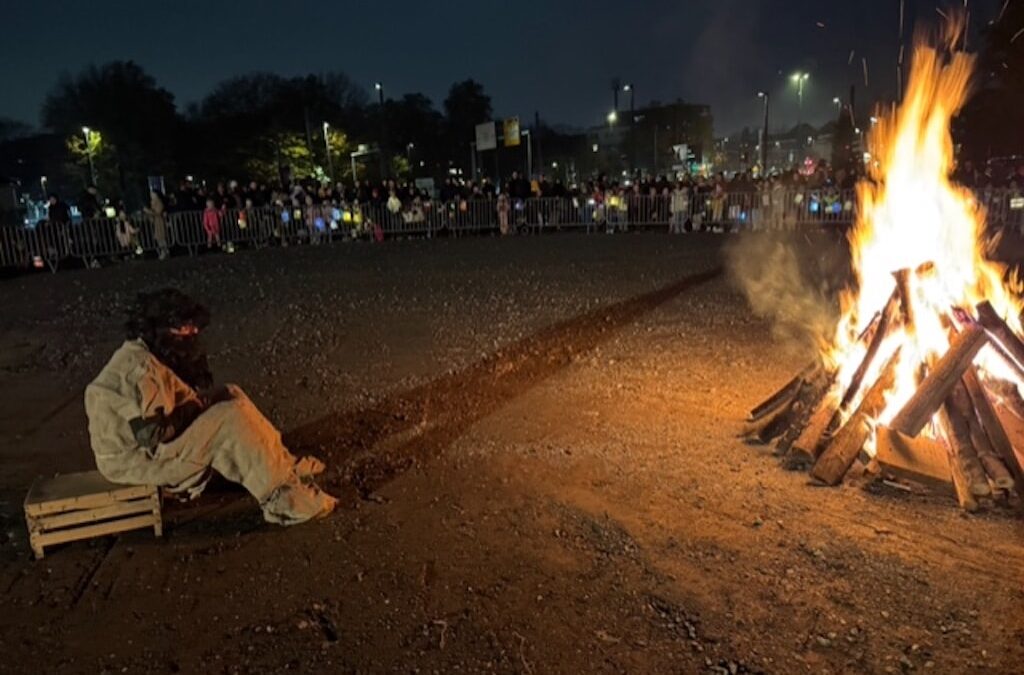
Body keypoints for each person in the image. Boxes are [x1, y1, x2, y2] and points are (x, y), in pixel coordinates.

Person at [84, 289, 337, 525]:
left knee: (230, 393)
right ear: (165, 330)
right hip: (139, 463)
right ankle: (286, 502)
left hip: (148, 448)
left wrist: (197, 407)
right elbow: (151, 435)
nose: (192, 334)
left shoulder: (146, 352)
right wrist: (192, 412)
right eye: (186, 329)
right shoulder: (140, 370)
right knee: (229, 416)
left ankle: (283, 463)